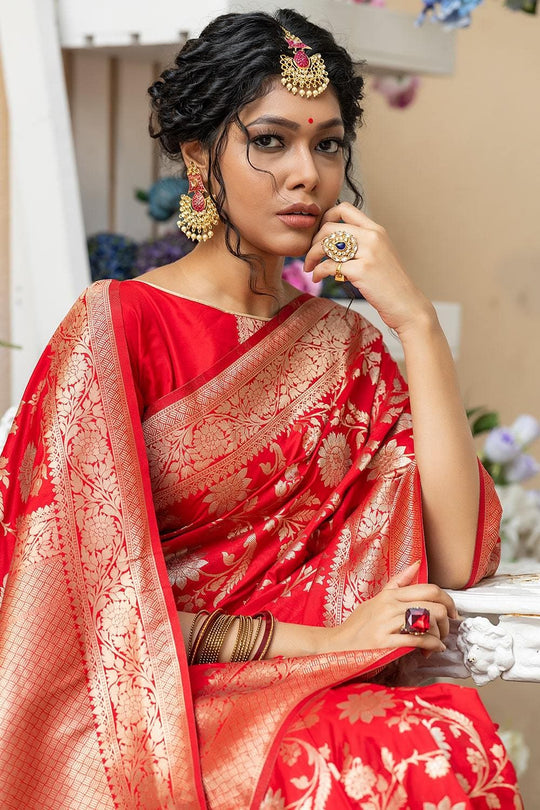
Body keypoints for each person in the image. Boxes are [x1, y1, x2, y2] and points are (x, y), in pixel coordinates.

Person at [0, 9, 522, 810]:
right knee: (397, 753)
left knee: (434, 742)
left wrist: (414, 321)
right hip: (158, 706)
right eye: (270, 141)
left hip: (315, 684)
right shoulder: (117, 326)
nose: (306, 174)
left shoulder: (343, 346)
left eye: (328, 143)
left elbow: (456, 557)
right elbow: (73, 614)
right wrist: (326, 639)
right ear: (200, 158)